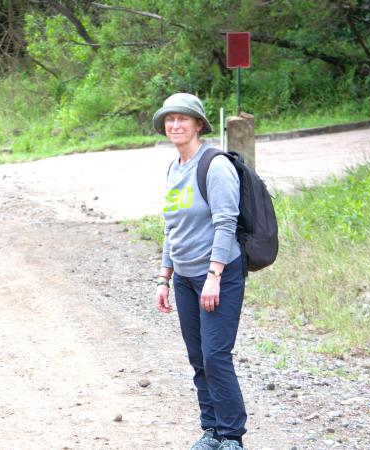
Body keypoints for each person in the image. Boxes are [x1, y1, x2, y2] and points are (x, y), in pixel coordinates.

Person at [152, 93, 248, 450]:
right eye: (169, 119)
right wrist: (164, 277)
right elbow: (172, 228)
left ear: (198, 124)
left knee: (215, 354)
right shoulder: (174, 166)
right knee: (197, 356)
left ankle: (232, 436)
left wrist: (214, 275)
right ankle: (211, 430)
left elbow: (226, 223)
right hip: (185, 278)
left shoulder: (215, 165)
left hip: (217, 274)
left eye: (183, 119)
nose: (175, 125)